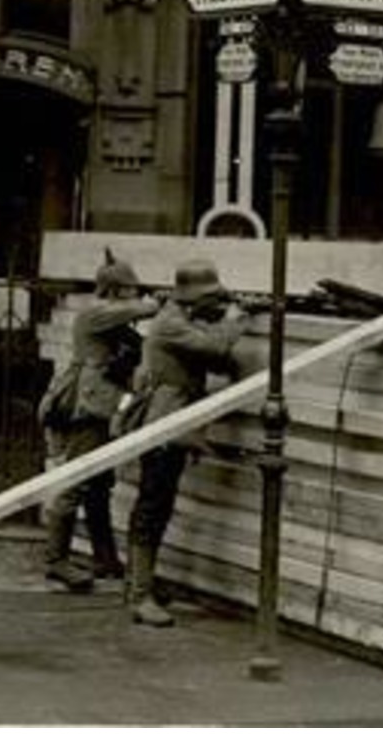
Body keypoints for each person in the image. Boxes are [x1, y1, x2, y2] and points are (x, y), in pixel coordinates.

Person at [124, 257, 249, 627]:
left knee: (153, 504)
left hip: (173, 423)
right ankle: (140, 596)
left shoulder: (180, 318)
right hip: (164, 424)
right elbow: (215, 350)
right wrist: (234, 320)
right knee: (153, 506)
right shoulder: (171, 323)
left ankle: (137, 584)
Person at [43, 250, 159, 593]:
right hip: (87, 407)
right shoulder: (95, 314)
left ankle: (105, 559)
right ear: (114, 290)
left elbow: (146, 342)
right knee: (76, 481)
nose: (134, 295)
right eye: (129, 289)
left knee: (98, 484)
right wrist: (169, 301)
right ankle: (55, 561)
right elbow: (144, 309)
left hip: (103, 407)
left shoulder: (115, 323)